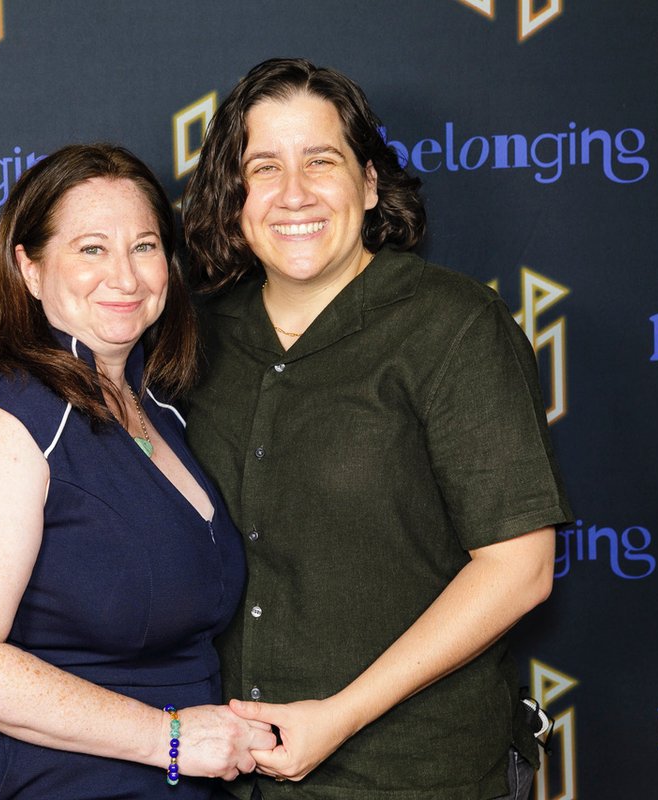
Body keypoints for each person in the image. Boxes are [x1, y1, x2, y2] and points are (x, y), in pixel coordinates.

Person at [182, 58, 573, 799]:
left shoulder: (450, 325)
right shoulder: (198, 342)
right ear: (234, 196)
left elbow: (518, 569)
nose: (293, 193)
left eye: (320, 161)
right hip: (235, 779)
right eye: (263, 167)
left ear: (368, 184)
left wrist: (340, 715)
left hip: (416, 775)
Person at [0, 143, 276, 798]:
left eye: (145, 246)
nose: (126, 278)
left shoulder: (157, 410)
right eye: (91, 249)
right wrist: (170, 739)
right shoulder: (5, 422)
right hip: (41, 782)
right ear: (29, 266)